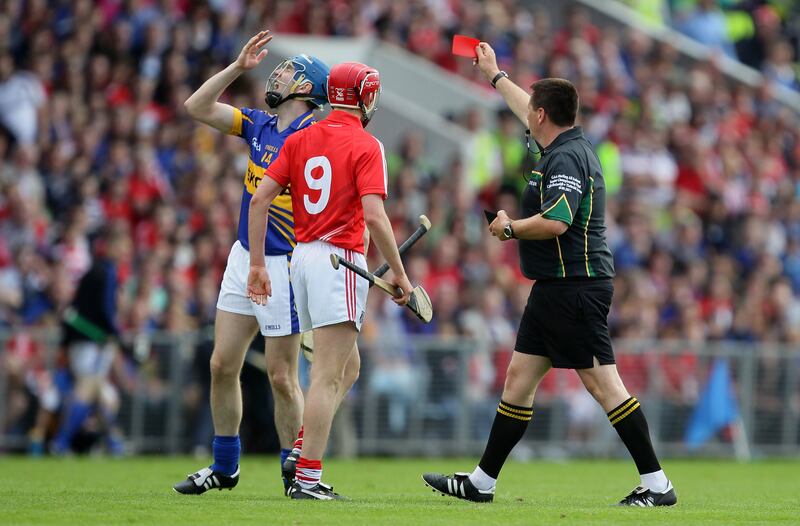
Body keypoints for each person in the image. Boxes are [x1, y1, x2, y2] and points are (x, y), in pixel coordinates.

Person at [422, 43, 677, 507]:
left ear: (542, 116)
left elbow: (558, 220)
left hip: (574, 286)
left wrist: (509, 229)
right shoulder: (567, 141)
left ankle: (657, 484)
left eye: (531, 111)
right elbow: (527, 106)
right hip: (558, 287)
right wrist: (496, 76)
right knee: (518, 379)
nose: (526, 115)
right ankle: (483, 481)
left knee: (604, 385)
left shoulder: (563, 159)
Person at [173, 30, 359, 496]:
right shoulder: (258, 124)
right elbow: (196, 107)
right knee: (221, 364)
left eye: (290, 70)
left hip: (283, 265)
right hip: (245, 256)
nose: (278, 73)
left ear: (306, 89)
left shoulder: (312, 138)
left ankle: (294, 473)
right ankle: (225, 467)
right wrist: (237, 67)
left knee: (280, 377)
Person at [247, 61, 413, 500]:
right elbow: (375, 217)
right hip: (339, 258)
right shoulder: (367, 144)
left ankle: (300, 449)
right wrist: (400, 275)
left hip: (299, 258)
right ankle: (307, 477)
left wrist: (258, 264)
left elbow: (260, 200)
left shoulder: (300, 137)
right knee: (325, 377)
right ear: (364, 97)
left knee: (347, 367)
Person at [53, 227, 131, 455]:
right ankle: (62, 440)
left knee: (99, 393)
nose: (125, 251)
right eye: (123, 246)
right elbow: (106, 310)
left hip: (83, 339)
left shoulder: (95, 270)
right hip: (90, 341)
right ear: (111, 245)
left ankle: (113, 442)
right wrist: (119, 336)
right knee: (88, 387)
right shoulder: (106, 271)